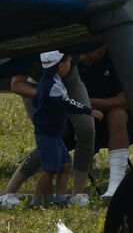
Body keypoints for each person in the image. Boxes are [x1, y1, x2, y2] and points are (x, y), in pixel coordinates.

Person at [2, 55, 98, 207]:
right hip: (38, 92)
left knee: (70, 157)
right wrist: (44, 96)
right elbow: (16, 84)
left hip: (66, 83)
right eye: (68, 61)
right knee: (49, 152)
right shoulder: (34, 62)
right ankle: (20, 196)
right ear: (60, 65)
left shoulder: (67, 63)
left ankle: (71, 196)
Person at [31, 52, 103, 206]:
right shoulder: (53, 86)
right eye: (70, 62)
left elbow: (37, 101)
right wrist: (89, 111)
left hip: (53, 134)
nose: (70, 65)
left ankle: (59, 199)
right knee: (50, 169)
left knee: (65, 165)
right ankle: (36, 200)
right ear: (61, 66)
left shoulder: (48, 81)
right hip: (47, 134)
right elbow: (70, 103)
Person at [76, 44, 133, 200]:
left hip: (119, 125)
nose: (83, 57)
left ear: (103, 46)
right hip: (80, 121)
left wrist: (86, 102)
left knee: (117, 115)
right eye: (79, 52)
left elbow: (125, 101)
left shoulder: (118, 59)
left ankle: (116, 185)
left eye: (89, 50)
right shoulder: (71, 61)